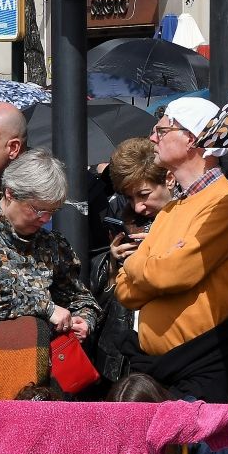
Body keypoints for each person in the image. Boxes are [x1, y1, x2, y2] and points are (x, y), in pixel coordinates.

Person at [115, 98, 228, 403]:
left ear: (191, 138)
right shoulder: (169, 211)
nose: (153, 138)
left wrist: (138, 261)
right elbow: (125, 292)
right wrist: (153, 268)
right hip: (155, 365)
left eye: (162, 130)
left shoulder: (226, 203)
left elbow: (171, 275)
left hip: (201, 366)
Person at [0, 150, 100, 374]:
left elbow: (80, 297)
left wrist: (83, 319)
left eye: (52, 211)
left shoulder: (52, 243)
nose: (45, 219)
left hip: (39, 370)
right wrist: (47, 308)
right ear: (10, 194)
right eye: (37, 210)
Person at [92, 139, 173, 382]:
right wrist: (114, 259)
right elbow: (106, 292)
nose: (138, 206)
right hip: (123, 347)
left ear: (169, 180)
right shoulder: (125, 217)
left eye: (144, 194)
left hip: (165, 344)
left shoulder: (188, 220)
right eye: (129, 197)